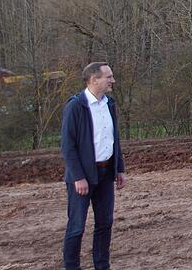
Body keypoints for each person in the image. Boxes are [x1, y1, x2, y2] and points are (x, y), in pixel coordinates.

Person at [61, 62, 126, 270]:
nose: (112, 80)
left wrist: (119, 168)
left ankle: (102, 266)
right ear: (93, 79)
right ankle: (71, 267)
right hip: (82, 177)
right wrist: (78, 177)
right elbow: (68, 146)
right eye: (109, 77)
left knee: (105, 223)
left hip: (107, 173)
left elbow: (113, 138)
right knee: (77, 227)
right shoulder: (76, 106)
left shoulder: (109, 104)